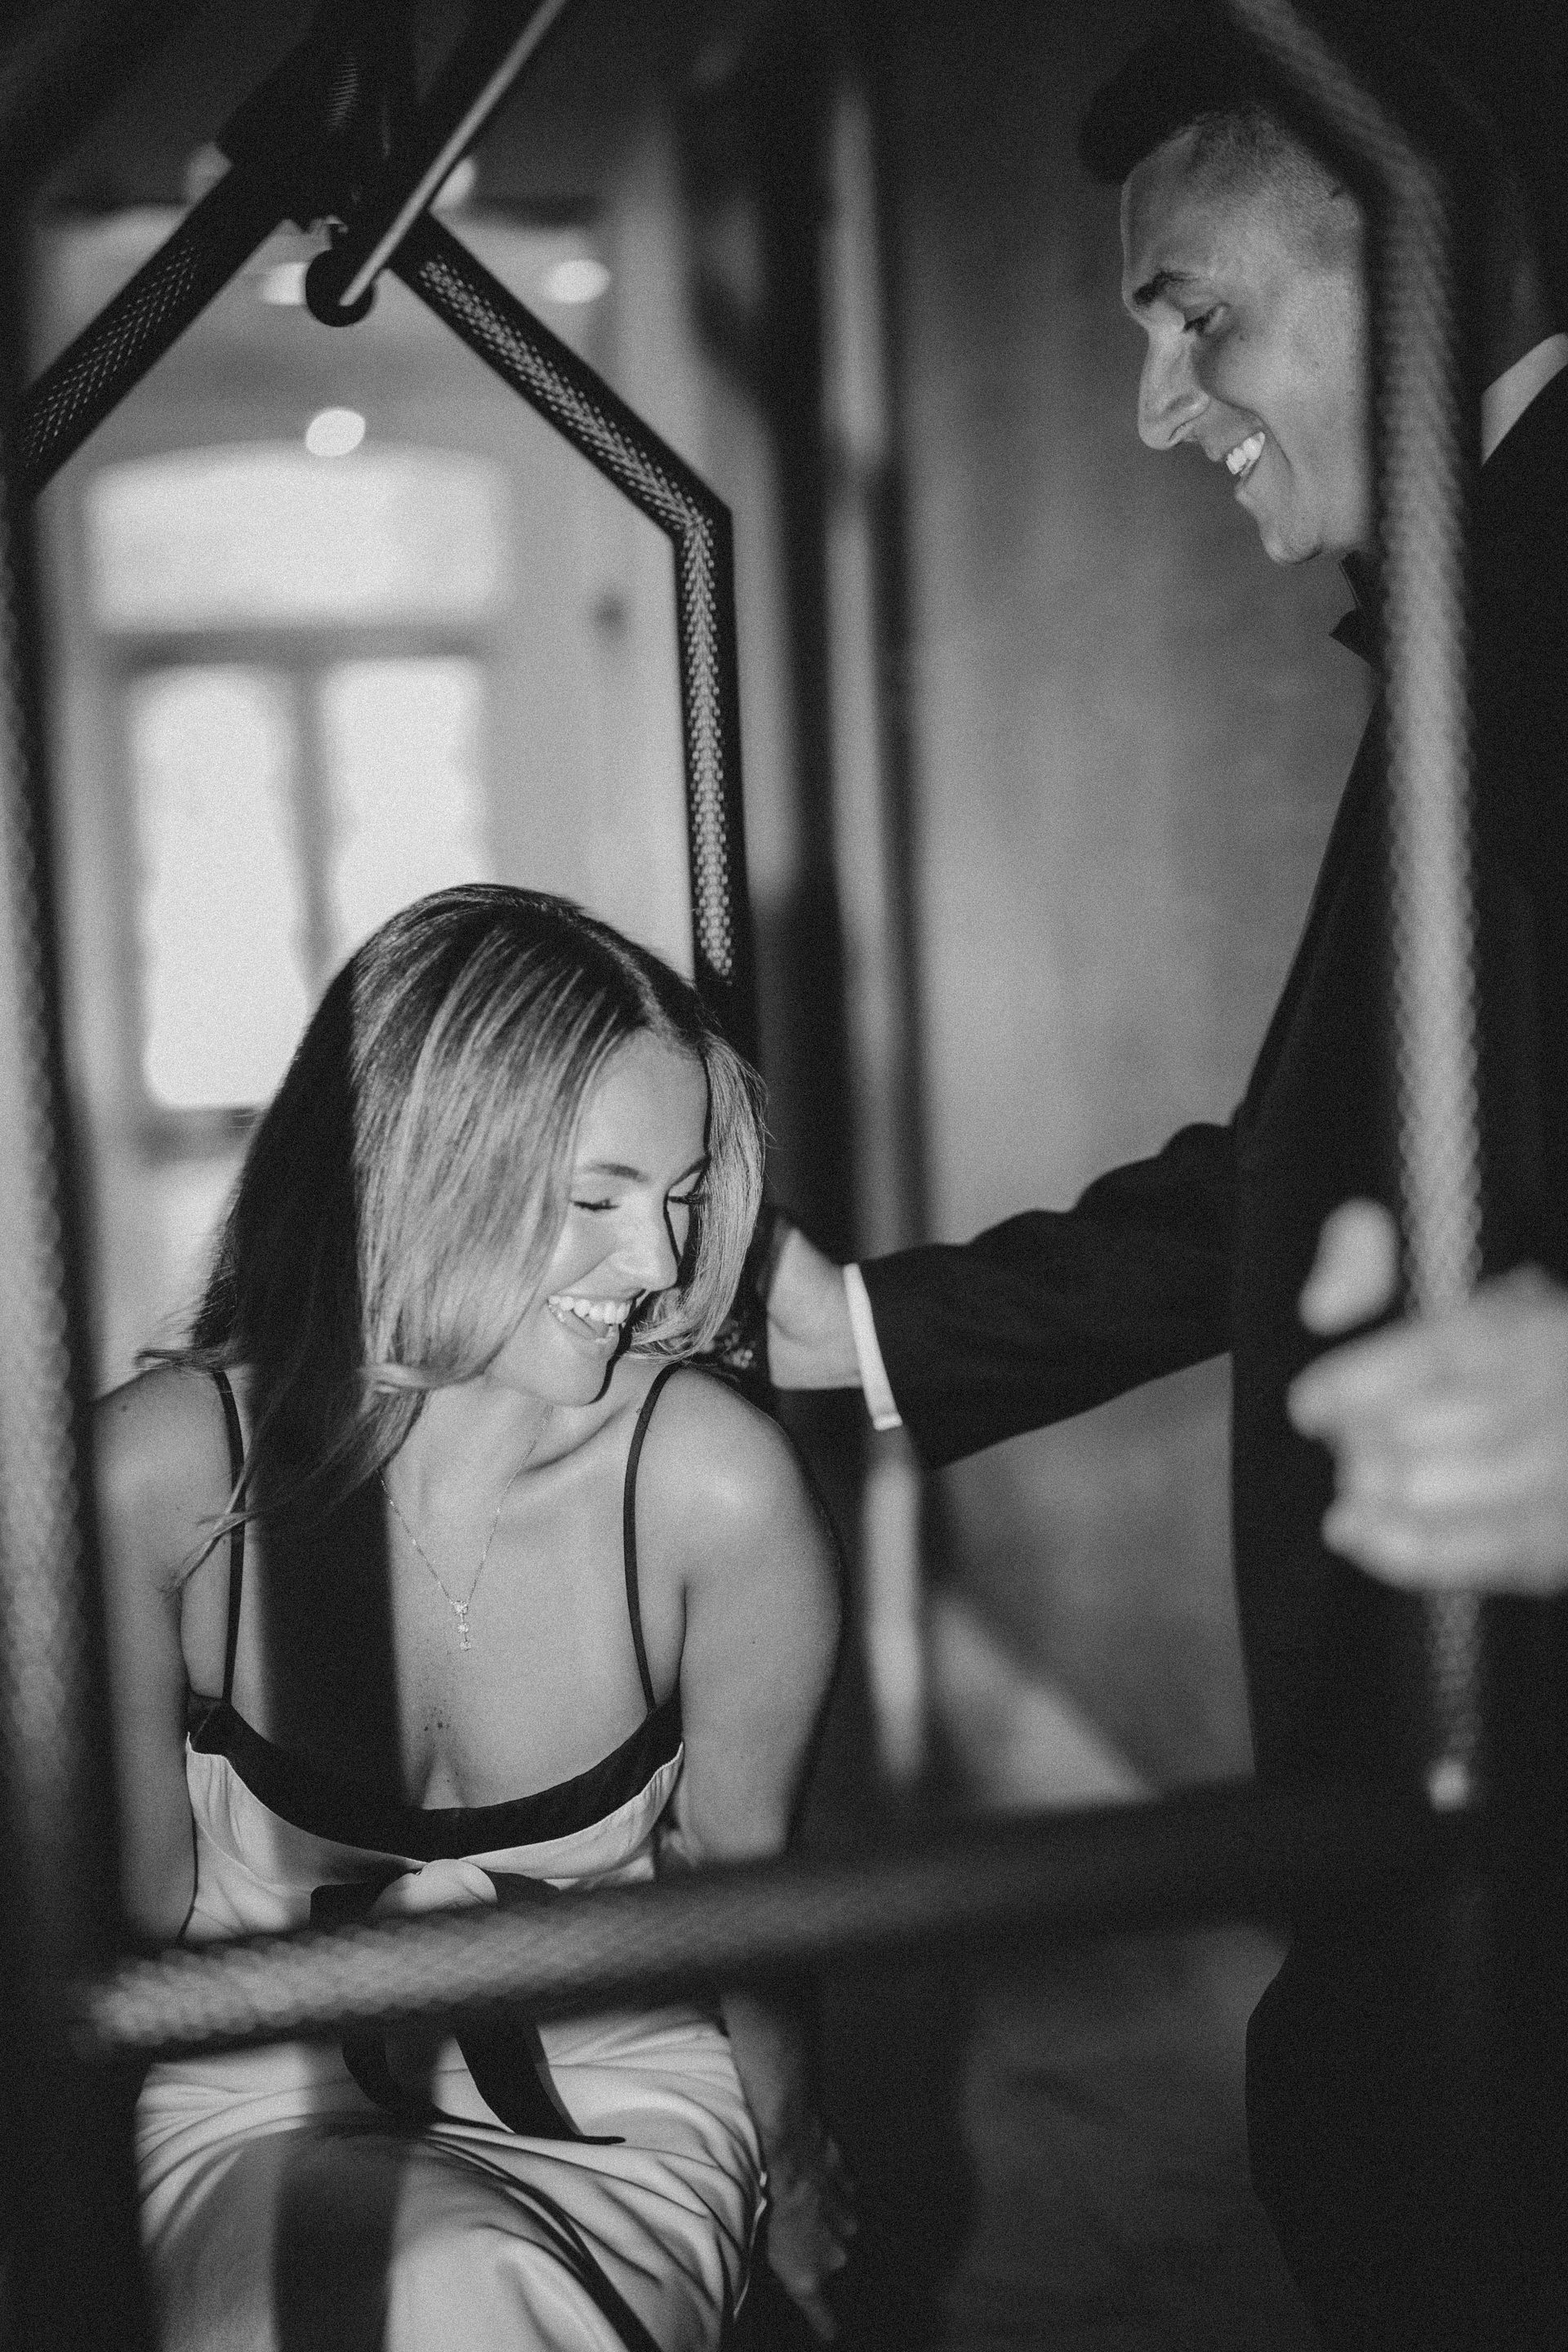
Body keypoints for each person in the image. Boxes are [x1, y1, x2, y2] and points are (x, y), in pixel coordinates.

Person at [765, 11, 1568, 2346]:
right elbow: (1318, 1154)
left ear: (1440, 245)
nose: (1153, 408)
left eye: (1195, 314)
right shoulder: (1491, 590)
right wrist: (862, 1327)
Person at [96, 885, 853, 2352]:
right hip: (254, 2110)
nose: (660, 1266)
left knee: (459, 2289)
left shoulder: (709, 1490)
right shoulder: (163, 1477)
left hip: (626, 2122)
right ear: (421, 1169)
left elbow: (750, 1889)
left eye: (683, 1197)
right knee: (407, 2287)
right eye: (597, 1200)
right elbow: (117, 1937)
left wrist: (797, 2167)